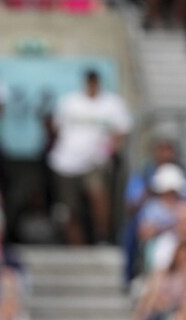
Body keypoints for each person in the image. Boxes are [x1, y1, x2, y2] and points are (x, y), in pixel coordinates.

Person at [46, 69, 132, 245]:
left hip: (95, 160)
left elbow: (122, 131)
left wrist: (110, 149)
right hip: (66, 162)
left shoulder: (112, 103)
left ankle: (102, 236)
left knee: (98, 196)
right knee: (69, 207)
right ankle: (76, 244)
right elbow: (56, 128)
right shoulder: (69, 102)